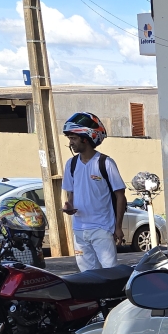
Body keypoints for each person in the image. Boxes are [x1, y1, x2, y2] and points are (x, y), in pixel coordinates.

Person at [60, 112, 127, 270]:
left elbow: (120, 196)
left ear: (87, 138)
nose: (71, 143)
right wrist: (69, 205)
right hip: (79, 231)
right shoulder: (71, 164)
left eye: (74, 138)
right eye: (69, 139)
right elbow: (70, 193)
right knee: (87, 276)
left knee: (110, 272)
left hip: (102, 229)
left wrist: (118, 227)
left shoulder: (105, 163)